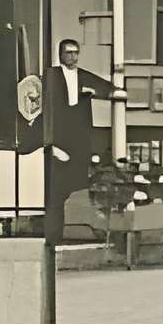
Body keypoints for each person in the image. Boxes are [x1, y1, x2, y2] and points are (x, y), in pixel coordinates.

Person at [39, 38, 117, 223]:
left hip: (79, 134)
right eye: (69, 53)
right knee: (58, 183)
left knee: (80, 179)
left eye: (76, 53)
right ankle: (56, 222)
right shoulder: (51, 76)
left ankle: (78, 219)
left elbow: (107, 88)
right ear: (60, 55)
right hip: (59, 135)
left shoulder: (83, 76)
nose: (73, 57)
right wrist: (51, 143)